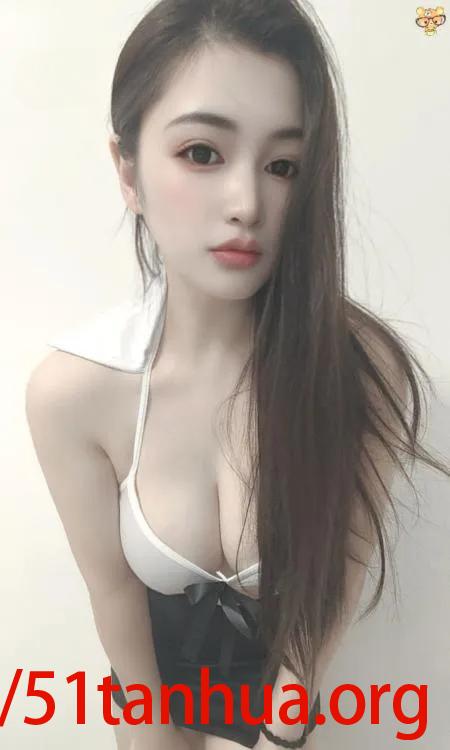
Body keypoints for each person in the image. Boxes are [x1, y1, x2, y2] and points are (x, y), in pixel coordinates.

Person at [25, 1, 450, 749]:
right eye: (202, 153)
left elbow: (326, 606)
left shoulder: (358, 370)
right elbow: (116, 602)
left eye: (284, 166)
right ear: (128, 169)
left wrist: (272, 742)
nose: (248, 204)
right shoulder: (74, 395)